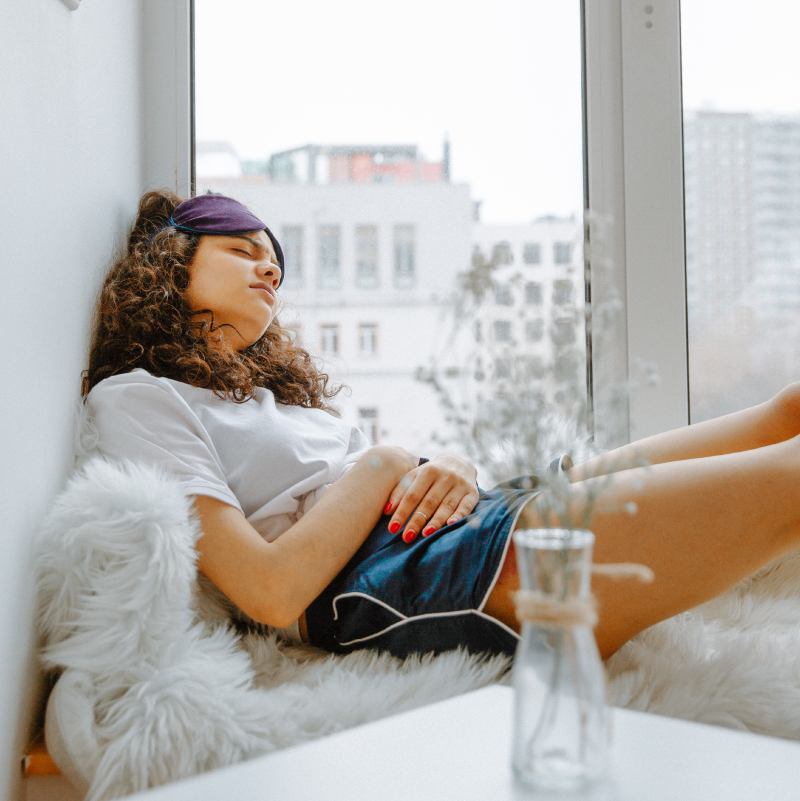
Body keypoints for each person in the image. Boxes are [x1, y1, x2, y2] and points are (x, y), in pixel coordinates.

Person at [83, 190, 800, 661]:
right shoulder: (136, 398)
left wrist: (444, 461)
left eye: (275, 260)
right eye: (242, 251)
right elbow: (269, 589)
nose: (268, 268)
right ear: (167, 264)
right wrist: (390, 460)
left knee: (789, 411)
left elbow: (390, 474)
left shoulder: (267, 398)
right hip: (401, 575)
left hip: (467, 520)